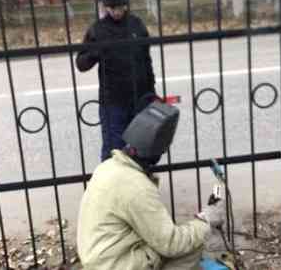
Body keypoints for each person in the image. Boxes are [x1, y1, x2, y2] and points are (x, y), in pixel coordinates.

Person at [77, 101, 225, 270]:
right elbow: (171, 244)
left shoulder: (108, 166)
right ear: (159, 150)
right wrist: (206, 221)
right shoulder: (137, 187)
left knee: (180, 234)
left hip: (98, 258)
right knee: (191, 244)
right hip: (116, 264)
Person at [76, 0, 156, 161]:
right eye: (112, 7)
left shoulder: (136, 25)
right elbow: (81, 63)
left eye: (120, 6)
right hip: (113, 102)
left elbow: (146, 61)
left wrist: (151, 93)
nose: (117, 11)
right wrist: (97, 51)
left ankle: (140, 178)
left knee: (141, 148)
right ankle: (111, 179)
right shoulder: (98, 29)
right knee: (114, 151)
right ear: (105, 6)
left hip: (139, 98)